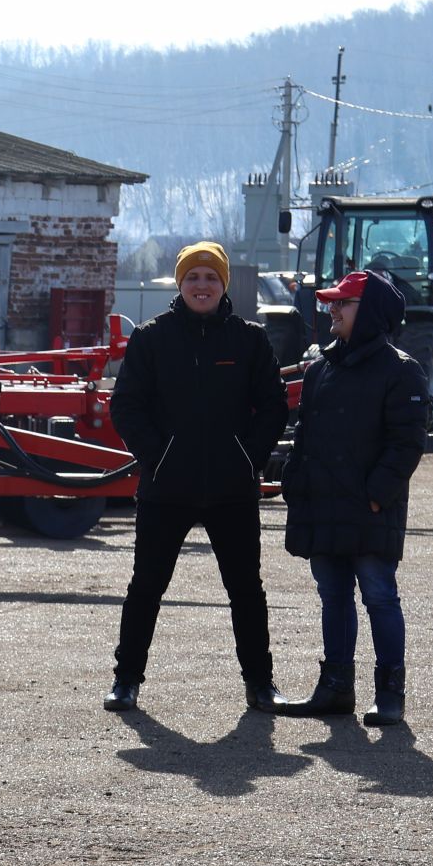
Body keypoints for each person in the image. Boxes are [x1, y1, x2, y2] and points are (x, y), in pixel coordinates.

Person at [103, 241, 291, 713]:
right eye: (193, 277)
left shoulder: (249, 340)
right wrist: (156, 456)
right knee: (146, 585)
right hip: (168, 487)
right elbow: (125, 405)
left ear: (223, 284)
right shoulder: (152, 338)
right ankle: (126, 680)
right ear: (179, 284)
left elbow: (274, 405)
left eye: (210, 277)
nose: (201, 286)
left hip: (232, 489)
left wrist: (249, 457)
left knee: (246, 589)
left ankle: (260, 683)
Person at [277, 269, 427, 725]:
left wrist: (377, 497)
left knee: (379, 596)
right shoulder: (320, 367)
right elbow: (303, 435)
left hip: (368, 509)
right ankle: (335, 689)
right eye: (332, 303)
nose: (332, 310)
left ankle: (390, 695)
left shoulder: (401, 370)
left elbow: (406, 443)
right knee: (333, 596)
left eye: (343, 303)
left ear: (371, 312)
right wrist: (294, 484)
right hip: (321, 506)